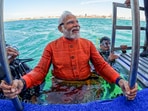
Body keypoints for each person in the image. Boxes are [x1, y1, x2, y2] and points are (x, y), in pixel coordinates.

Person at [0, 11, 137, 101]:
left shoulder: (88, 44)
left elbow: (102, 66)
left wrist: (120, 81)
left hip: (87, 84)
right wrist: (22, 82)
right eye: (71, 22)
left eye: (77, 22)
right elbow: (40, 71)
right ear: (61, 28)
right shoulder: (51, 46)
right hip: (60, 87)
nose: (76, 25)